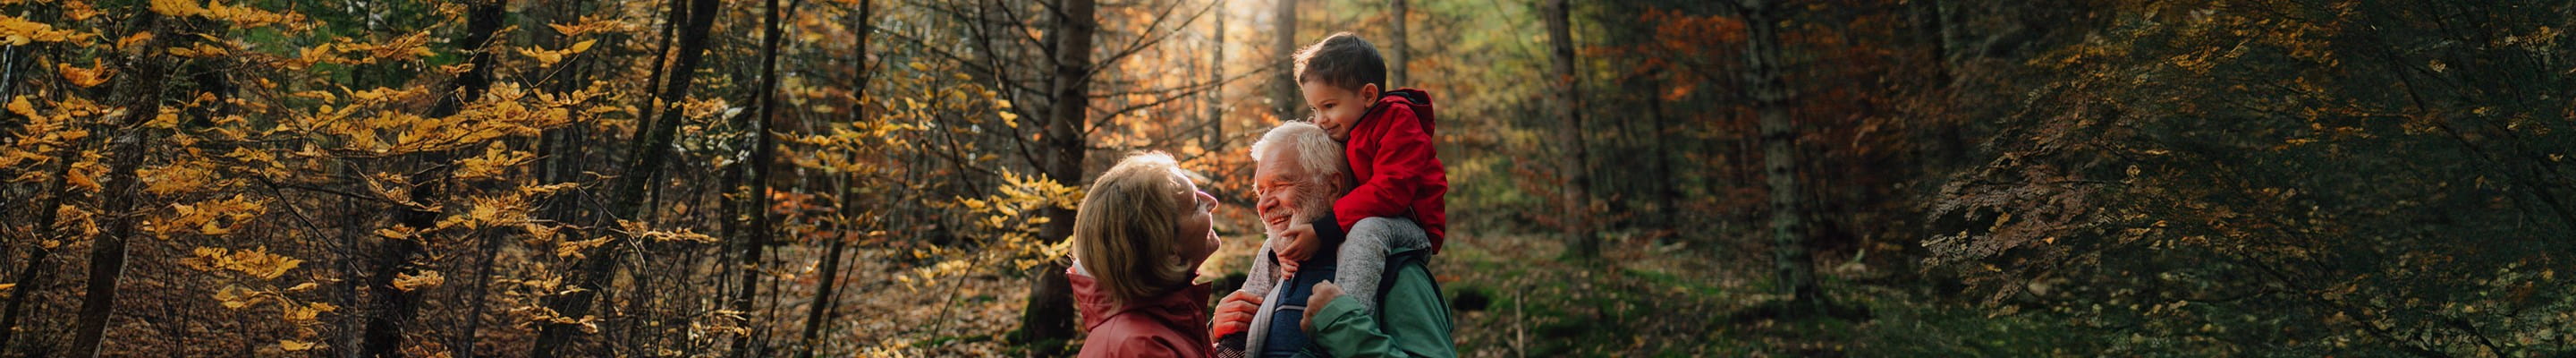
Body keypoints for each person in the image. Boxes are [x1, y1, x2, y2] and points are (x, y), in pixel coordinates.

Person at [1213, 123, 1455, 358]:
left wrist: (1346, 331)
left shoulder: (1395, 270)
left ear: (1333, 186)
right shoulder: (1275, 266)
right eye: (1261, 191)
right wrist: (1214, 332)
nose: (1264, 204)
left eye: (1279, 185)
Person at [1275, 32, 1450, 270]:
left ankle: (1349, 306)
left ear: (1368, 95)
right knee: (1294, 226)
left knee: (1365, 231)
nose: (1320, 120)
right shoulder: (1346, 129)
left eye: (1329, 106)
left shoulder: (1399, 123)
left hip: (1411, 226)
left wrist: (1326, 229)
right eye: (1314, 109)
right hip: (1363, 217)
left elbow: (1391, 191)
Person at [1068, 152, 1224, 358]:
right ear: (1169, 251)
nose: (1212, 202)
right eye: (1196, 203)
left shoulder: (1160, 325)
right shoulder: (1142, 347)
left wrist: (1216, 339)